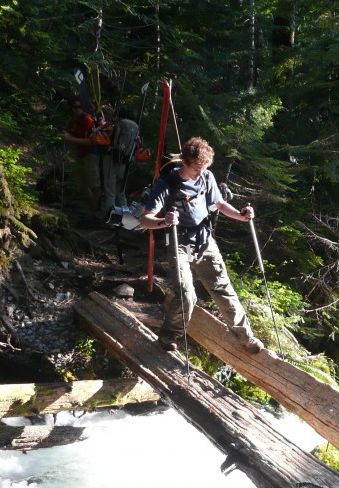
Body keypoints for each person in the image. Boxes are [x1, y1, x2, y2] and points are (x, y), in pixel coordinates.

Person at [139, 137, 264, 354]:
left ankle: (246, 338)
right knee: (186, 294)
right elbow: (144, 219)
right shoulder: (167, 182)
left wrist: (241, 216)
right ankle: (169, 336)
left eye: (204, 168)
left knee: (223, 289)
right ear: (185, 162)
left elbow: (219, 203)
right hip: (179, 243)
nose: (200, 173)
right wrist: (163, 222)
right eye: (197, 168)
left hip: (205, 241)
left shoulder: (206, 176)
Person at [96, 108, 139, 219]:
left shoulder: (116, 124)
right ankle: (125, 218)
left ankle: (108, 217)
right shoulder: (134, 127)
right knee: (121, 191)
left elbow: (100, 134)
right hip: (125, 161)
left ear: (116, 115)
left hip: (112, 158)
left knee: (110, 190)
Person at [63, 96, 100, 214]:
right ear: (72, 108)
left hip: (90, 154)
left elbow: (91, 141)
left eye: (80, 107)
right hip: (78, 155)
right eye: (75, 107)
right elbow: (68, 137)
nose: (78, 109)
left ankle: (94, 213)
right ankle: (92, 211)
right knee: (82, 187)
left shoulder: (88, 120)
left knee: (95, 185)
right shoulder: (73, 121)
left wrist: (72, 139)